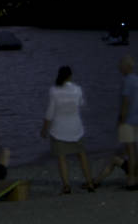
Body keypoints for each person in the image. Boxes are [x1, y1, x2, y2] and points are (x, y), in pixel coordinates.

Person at [40, 65, 95, 194]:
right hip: (76, 128)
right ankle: (90, 182)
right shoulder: (77, 90)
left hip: (59, 129)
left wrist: (44, 129)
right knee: (82, 155)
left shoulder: (54, 90)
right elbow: (82, 104)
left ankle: (66, 185)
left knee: (62, 157)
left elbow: (50, 112)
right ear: (70, 76)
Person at [112, 54, 138, 187]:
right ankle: (137, 176)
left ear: (127, 66)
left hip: (128, 121)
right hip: (137, 120)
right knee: (135, 150)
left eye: (121, 64)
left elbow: (125, 103)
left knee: (130, 151)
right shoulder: (137, 80)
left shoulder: (127, 81)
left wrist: (120, 120)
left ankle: (131, 179)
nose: (119, 67)